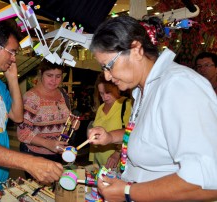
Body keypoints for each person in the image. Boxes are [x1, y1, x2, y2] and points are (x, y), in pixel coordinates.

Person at [87, 15, 217, 201]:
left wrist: (128, 192)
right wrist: (111, 137)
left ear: (136, 49)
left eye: (109, 66)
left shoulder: (179, 86)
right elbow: (152, 136)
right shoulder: (141, 90)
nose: (107, 77)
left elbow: (207, 180)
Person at [0, 21, 63, 198]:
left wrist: (12, 79)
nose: (14, 58)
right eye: (12, 51)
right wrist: (29, 162)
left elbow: (17, 117)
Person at [17, 60, 75, 178]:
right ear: (40, 74)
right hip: (35, 155)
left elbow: (66, 117)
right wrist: (47, 143)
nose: (54, 81)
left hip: (57, 153)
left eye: (58, 76)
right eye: (49, 76)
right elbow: (23, 133)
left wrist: (72, 122)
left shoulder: (62, 93)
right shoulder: (32, 98)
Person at [89, 72, 131, 169]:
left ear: (117, 88)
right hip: (99, 163)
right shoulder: (100, 108)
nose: (104, 97)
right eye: (101, 93)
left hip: (117, 164)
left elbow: (131, 134)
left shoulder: (126, 105)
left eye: (108, 92)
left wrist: (118, 153)